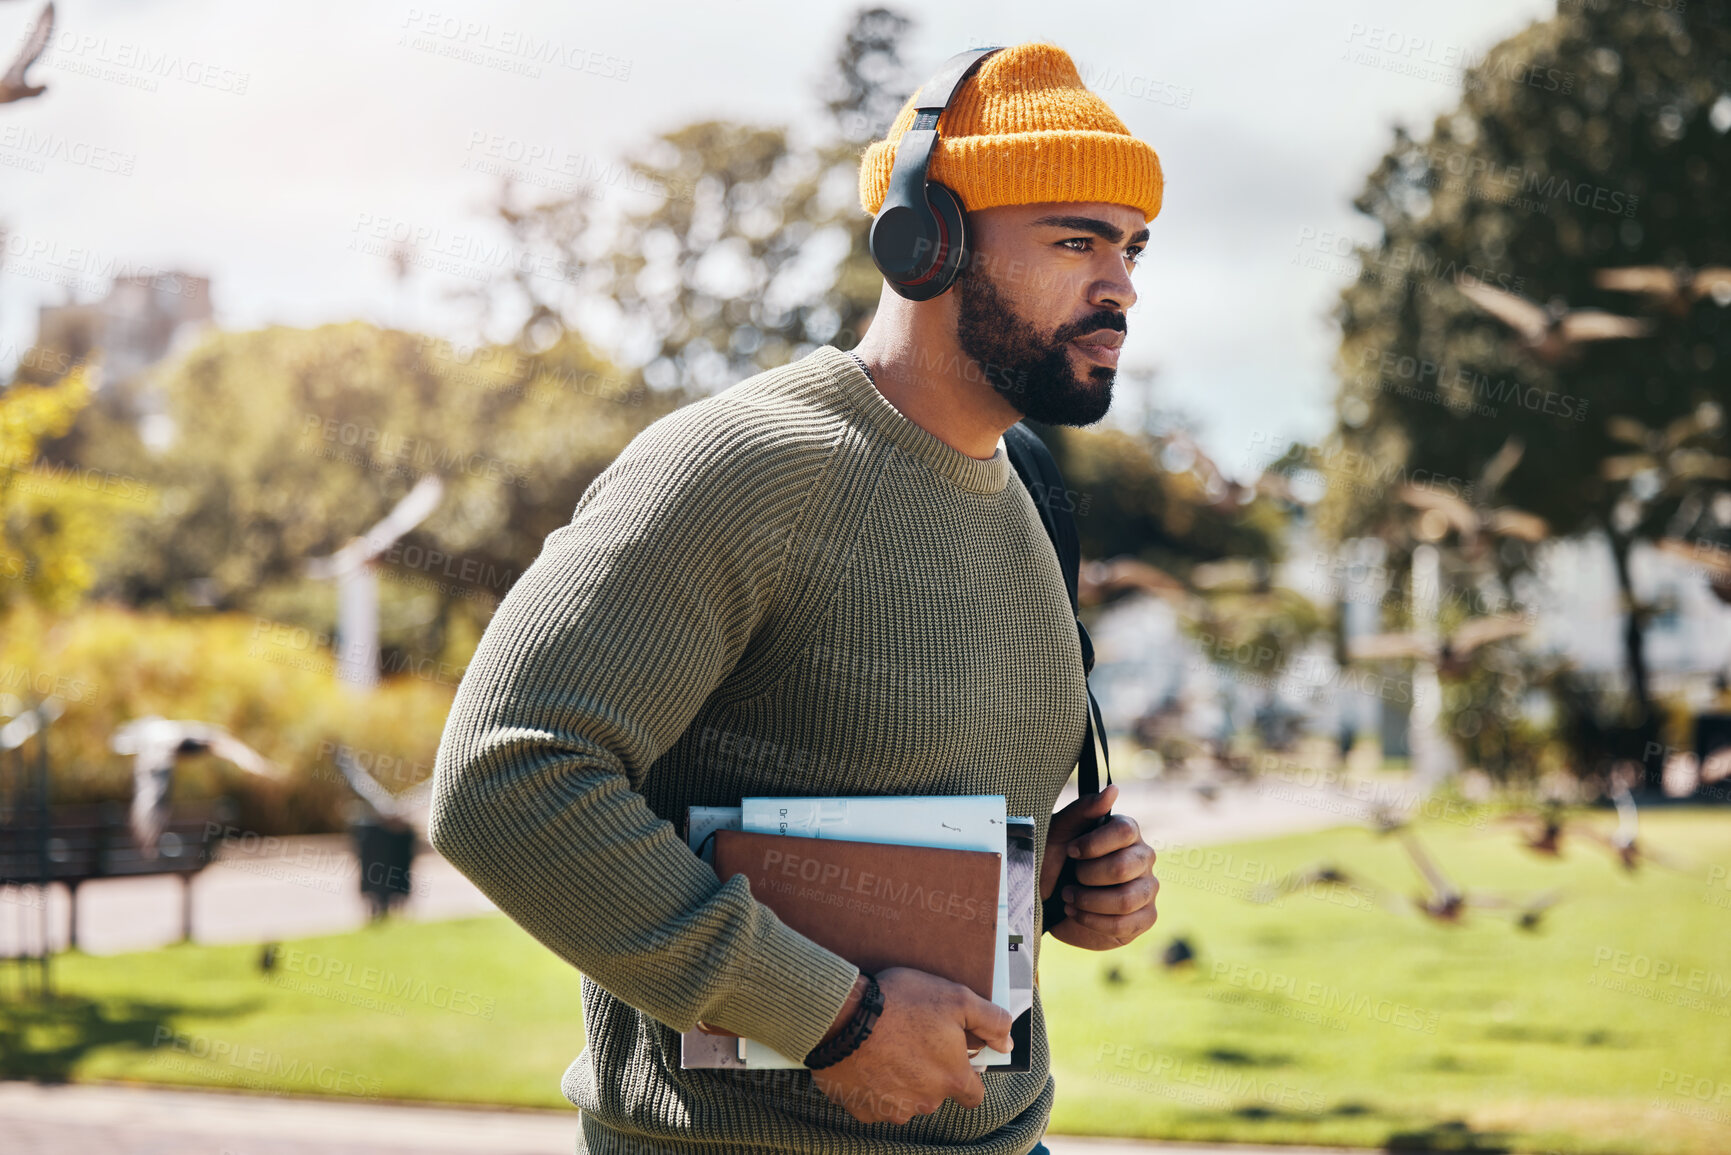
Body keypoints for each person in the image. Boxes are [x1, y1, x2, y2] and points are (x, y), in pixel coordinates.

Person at [430, 40, 1163, 1155]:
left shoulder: (1032, 498)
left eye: (1132, 247)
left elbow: (899, 802)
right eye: (1077, 240)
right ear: (928, 243)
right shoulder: (740, 464)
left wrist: (1045, 879)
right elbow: (506, 776)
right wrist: (831, 1018)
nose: (1120, 288)